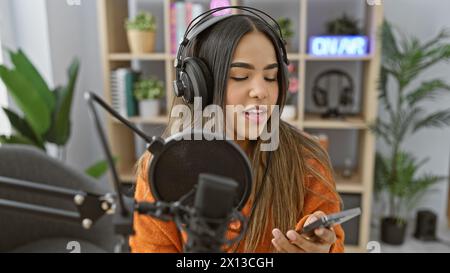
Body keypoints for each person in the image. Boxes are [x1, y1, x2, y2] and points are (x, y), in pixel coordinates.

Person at [129, 11, 345, 253]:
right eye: (240, 76)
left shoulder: (307, 159)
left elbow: (333, 243)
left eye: (271, 77)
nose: (261, 91)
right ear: (199, 86)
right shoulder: (162, 168)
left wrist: (324, 248)